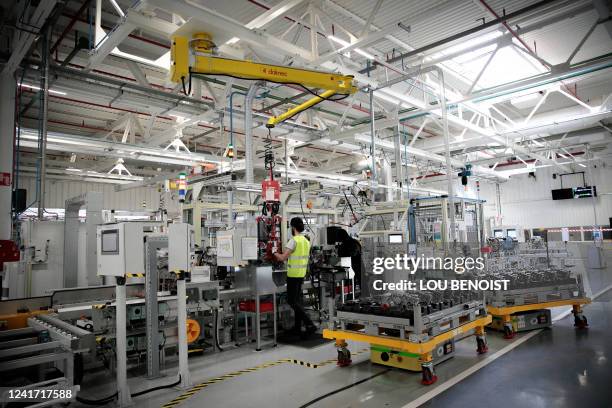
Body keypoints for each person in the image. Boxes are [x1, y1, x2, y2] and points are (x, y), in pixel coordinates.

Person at [274, 217, 316, 338]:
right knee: (297, 302)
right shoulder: (306, 241)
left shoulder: (294, 240)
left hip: (292, 275)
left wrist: (273, 252)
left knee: (292, 301)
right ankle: (297, 328)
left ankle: (309, 323)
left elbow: (282, 258)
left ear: (292, 227)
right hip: (301, 274)